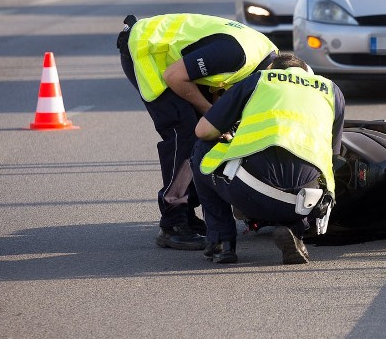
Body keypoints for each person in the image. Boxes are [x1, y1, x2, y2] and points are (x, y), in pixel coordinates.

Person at [117, 13, 279, 251]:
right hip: (147, 52)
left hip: (174, 61)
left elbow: (216, 82)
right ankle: (173, 222)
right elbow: (174, 76)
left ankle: (188, 212)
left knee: (206, 132)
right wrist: (211, 114)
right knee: (183, 132)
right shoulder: (237, 56)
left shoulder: (265, 58)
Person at [191, 53, 345, 265]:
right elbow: (334, 156)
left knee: (202, 150)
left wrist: (229, 137)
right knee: (313, 172)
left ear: (273, 68)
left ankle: (221, 241)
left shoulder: (260, 79)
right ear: (308, 73)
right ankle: (295, 229)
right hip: (306, 202)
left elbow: (203, 131)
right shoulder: (331, 89)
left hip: (252, 194)